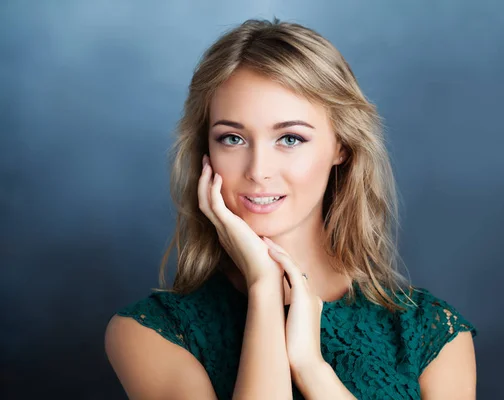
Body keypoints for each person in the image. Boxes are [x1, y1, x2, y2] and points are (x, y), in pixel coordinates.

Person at [105, 17, 477, 400]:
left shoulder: (430, 333)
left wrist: (311, 369)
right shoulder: (152, 331)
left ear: (341, 146)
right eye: (232, 138)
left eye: (290, 138)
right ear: (206, 152)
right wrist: (264, 287)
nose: (258, 171)